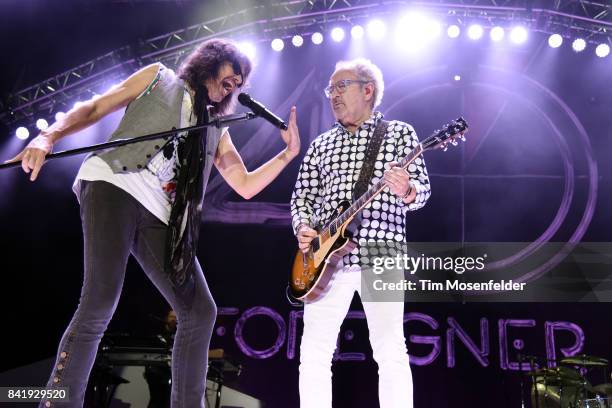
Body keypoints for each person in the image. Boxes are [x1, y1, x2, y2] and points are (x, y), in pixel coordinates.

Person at [6, 38, 300, 408]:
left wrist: (288, 154)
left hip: (160, 213)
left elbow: (243, 184)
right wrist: (48, 135)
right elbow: (96, 106)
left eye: (240, 83)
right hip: (114, 182)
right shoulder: (158, 78)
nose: (236, 85)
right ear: (211, 62)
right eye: (232, 75)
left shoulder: (215, 127)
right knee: (99, 300)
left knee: (199, 311)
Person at [290, 58, 430, 408]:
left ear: (368, 90)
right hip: (323, 261)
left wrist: (406, 189)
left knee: (390, 348)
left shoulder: (399, 134)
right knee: (314, 352)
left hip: (380, 252)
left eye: (341, 86)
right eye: (330, 89)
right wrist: (303, 226)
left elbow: (422, 192)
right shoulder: (320, 144)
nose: (332, 95)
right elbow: (302, 197)